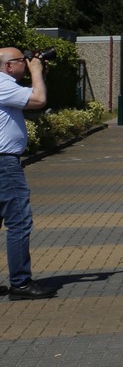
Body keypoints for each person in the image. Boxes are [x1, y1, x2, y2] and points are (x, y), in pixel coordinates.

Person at [0, 47, 57, 299]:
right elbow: (39, 99)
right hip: (4, 164)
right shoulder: (3, 85)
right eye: (21, 60)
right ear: (8, 66)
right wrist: (35, 70)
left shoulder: (6, 85)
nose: (26, 62)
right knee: (19, 222)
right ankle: (21, 283)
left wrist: (39, 71)